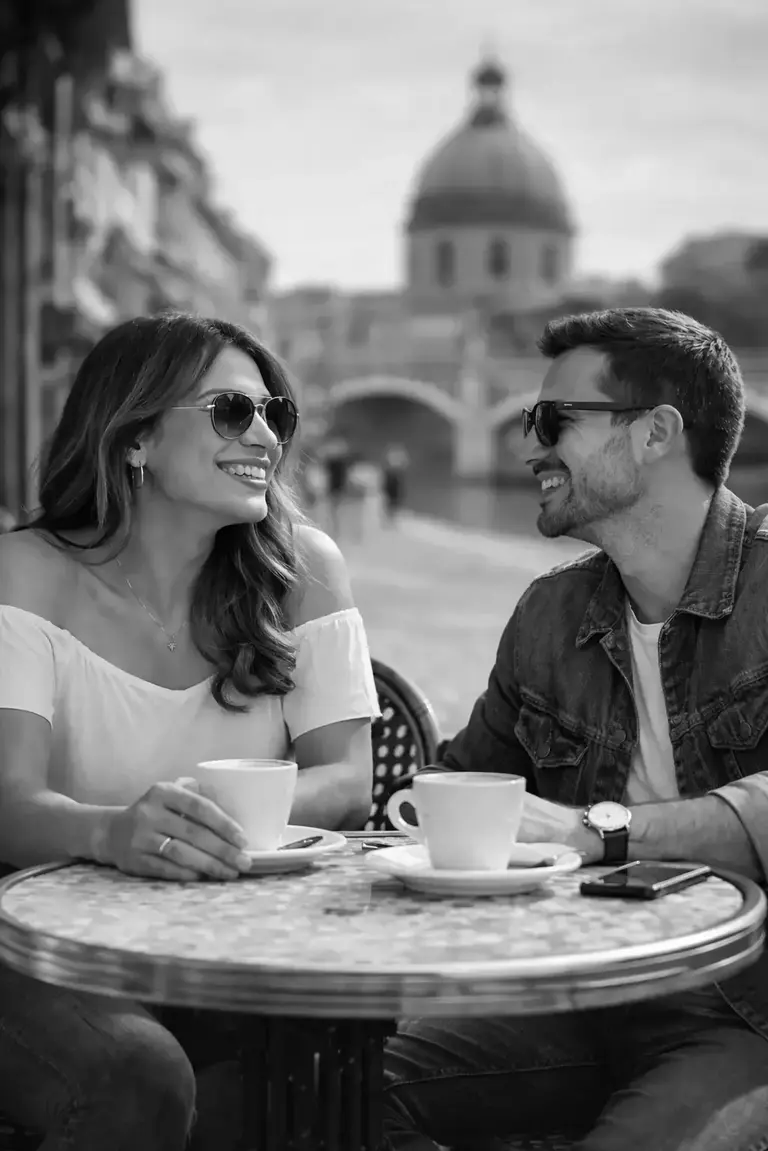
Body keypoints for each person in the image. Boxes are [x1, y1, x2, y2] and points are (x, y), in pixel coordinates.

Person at [384, 308, 768, 1151]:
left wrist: (594, 833)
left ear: (656, 433)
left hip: (745, 1012)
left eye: (555, 419)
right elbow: (454, 791)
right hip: (573, 988)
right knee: (322, 1090)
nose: (532, 445)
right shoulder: (549, 612)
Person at [0, 313, 378, 1150]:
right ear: (134, 437)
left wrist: (197, 821)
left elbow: (349, 781)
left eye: (274, 413)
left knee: (334, 1052)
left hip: (232, 929)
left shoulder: (305, 568)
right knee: (140, 1072)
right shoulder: (26, 570)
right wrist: (113, 831)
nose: (265, 437)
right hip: (30, 937)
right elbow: (8, 802)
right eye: (231, 411)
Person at [382, 443, 409, 525]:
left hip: (395, 481)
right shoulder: (390, 474)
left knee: (395, 497)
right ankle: (391, 517)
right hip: (392, 481)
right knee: (392, 498)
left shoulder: (396, 475)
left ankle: (392, 517)